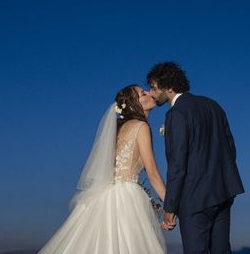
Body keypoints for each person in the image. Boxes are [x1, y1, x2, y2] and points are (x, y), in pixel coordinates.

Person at [38, 85, 167, 253]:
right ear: (135, 103)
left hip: (105, 195)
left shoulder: (118, 129)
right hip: (127, 198)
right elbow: (153, 174)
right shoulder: (140, 127)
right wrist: (172, 206)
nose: (149, 94)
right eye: (143, 93)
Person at [147, 61, 245, 254]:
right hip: (223, 193)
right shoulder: (213, 105)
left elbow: (177, 165)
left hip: (195, 199)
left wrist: (170, 208)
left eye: (154, 88)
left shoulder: (176, 114)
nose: (151, 93)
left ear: (169, 88)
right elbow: (230, 149)